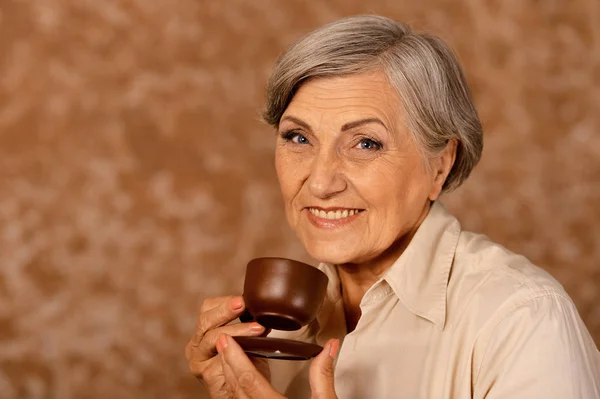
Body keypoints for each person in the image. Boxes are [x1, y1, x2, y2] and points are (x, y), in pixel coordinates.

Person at [185, 15, 600, 399]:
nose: (320, 182)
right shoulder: (276, 336)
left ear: (441, 165)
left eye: (366, 143)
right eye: (298, 138)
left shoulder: (522, 318)